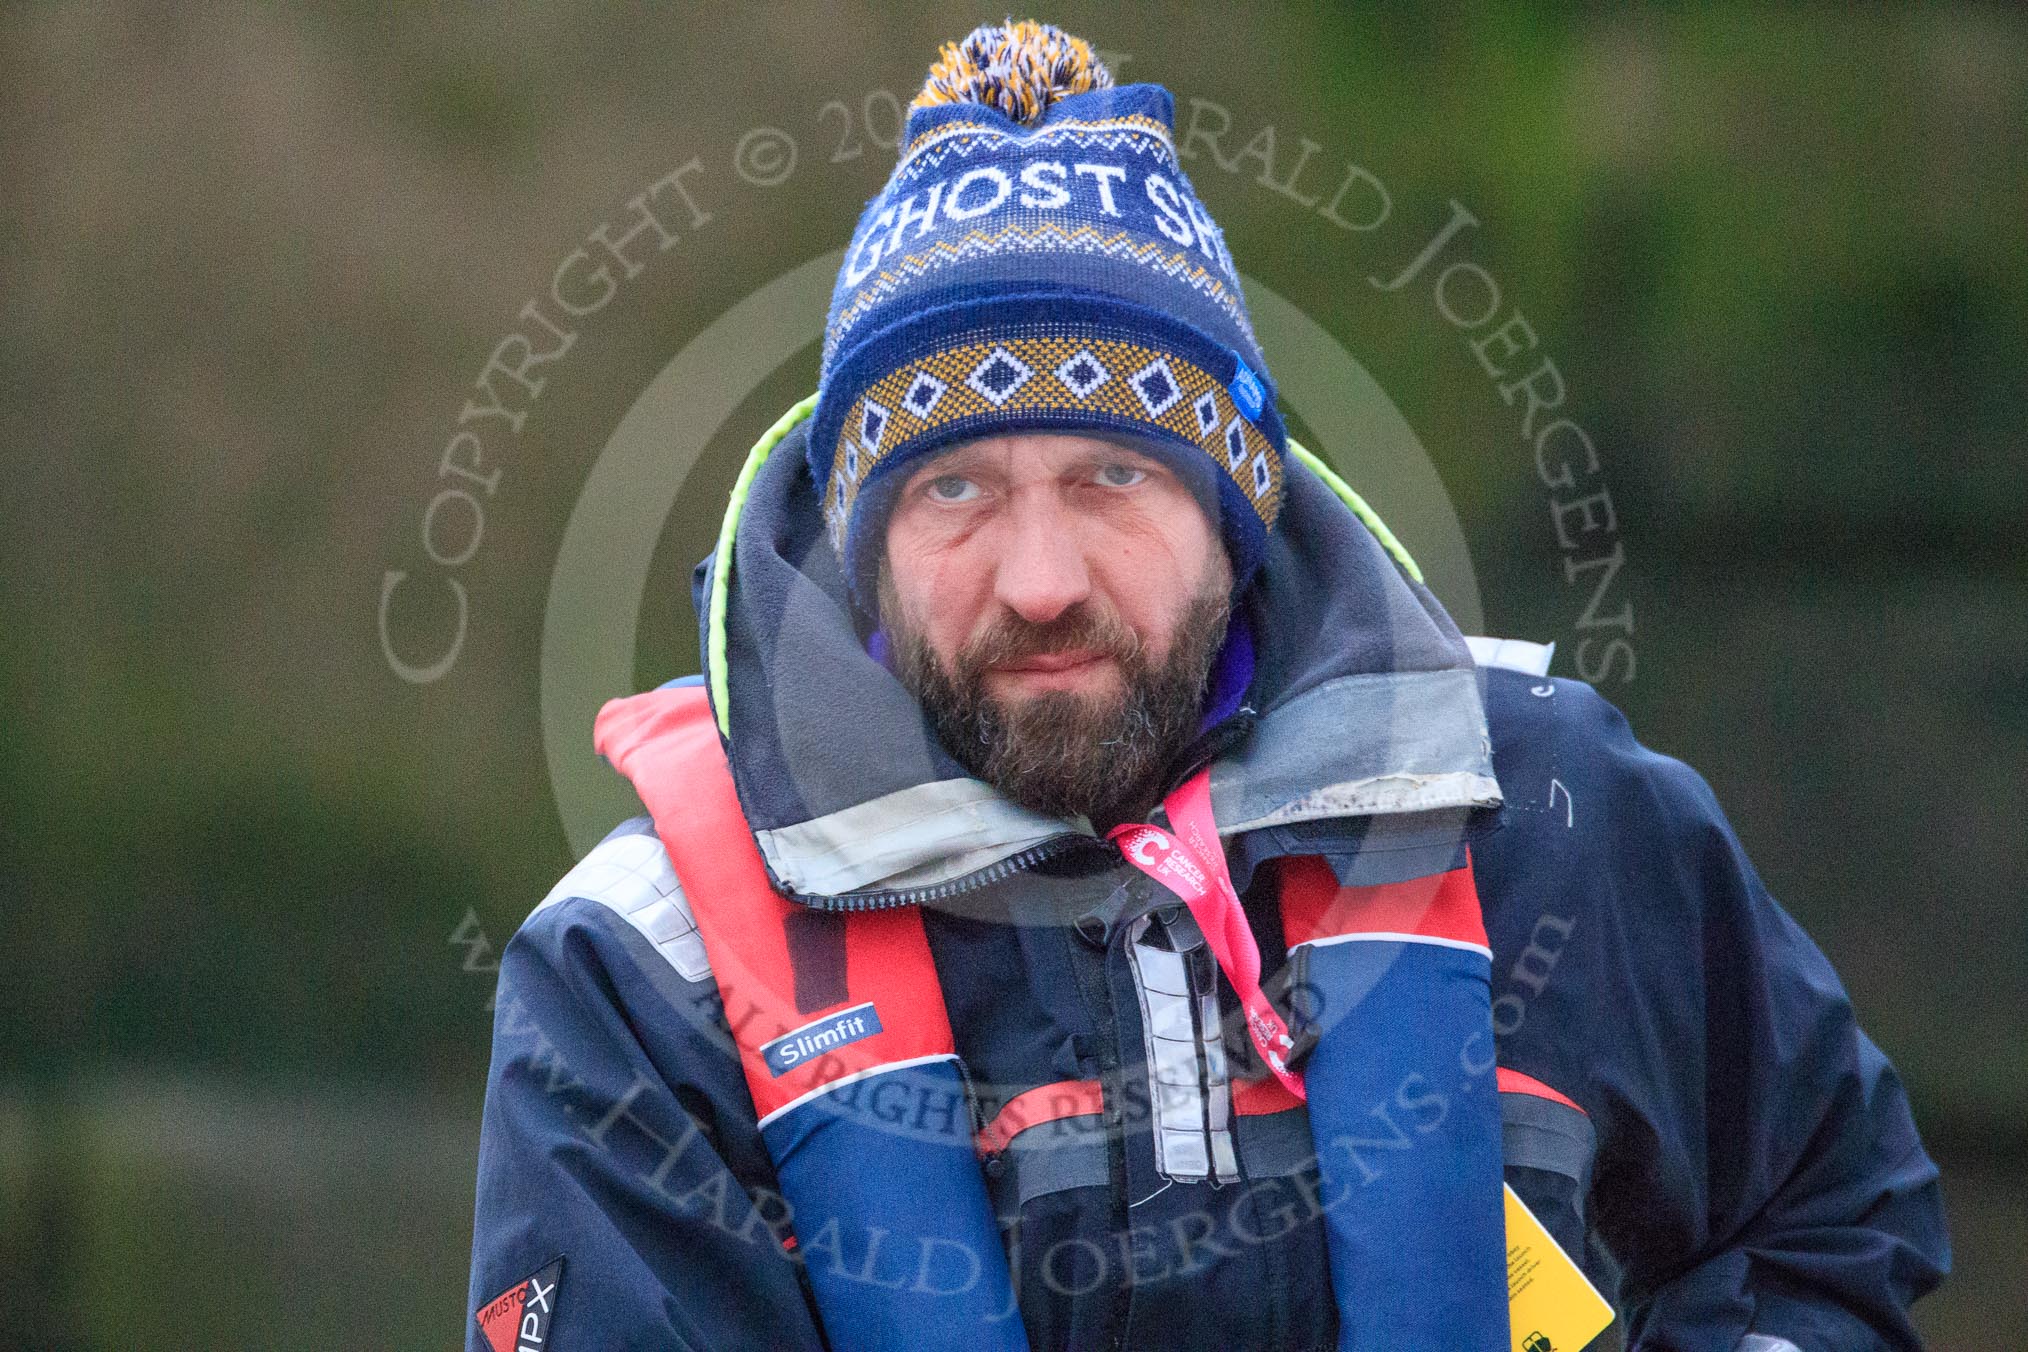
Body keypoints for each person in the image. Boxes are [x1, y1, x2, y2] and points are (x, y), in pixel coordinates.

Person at [465, 20, 1948, 1352]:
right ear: (866, 548)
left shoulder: (1557, 811)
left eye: (1112, 474)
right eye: (956, 492)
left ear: (1235, 512)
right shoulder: (640, 972)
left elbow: (1828, 1221)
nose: (1039, 577)